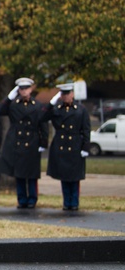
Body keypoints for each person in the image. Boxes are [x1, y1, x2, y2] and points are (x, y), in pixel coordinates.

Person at [0, 77, 49, 209]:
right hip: (17, 141)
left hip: (32, 141)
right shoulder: (13, 104)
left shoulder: (37, 105)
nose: (24, 91)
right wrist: (9, 98)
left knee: (31, 174)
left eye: (26, 88)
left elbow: (43, 124)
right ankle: (22, 199)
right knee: (19, 174)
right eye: (21, 89)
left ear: (31, 89)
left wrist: (43, 142)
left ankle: (32, 199)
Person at [43, 83, 90, 211]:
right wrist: (51, 103)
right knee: (64, 176)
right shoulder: (57, 108)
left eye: (67, 93)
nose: (65, 96)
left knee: (74, 177)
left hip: (75, 144)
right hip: (61, 145)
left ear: (72, 94)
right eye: (63, 94)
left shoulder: (80, 109)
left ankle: (74, 202)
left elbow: (86, 129)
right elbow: (42, 117)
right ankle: (66, 202)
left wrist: (86, 147)